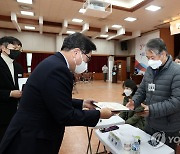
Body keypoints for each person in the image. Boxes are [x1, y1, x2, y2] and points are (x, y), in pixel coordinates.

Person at [0, 32, 114, 154]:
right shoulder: (59, 70)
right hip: (33, 138)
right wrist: (99, 114)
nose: (87, 63)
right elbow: (65, 116)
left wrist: (82, 103)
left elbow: (53, 99)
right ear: (76, 52)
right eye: (88, 58)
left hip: (30, 131)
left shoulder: (53, 63)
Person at [126, 38, 180, 152]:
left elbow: (176, 101)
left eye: (152, 57)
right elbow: (142, 90)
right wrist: (134, 101)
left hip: (168, 128)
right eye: (147, 58)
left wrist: (151, 109)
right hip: (150, 123)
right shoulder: (150, 70)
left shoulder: (177, 71)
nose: (150, 61)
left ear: (163, 54)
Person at [0, 36, 23, 142]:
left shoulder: (18, 67)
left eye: (19, 48)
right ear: (3, 48)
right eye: (14, 48)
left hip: (16, 114)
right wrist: (9, 93)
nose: (17, 51)